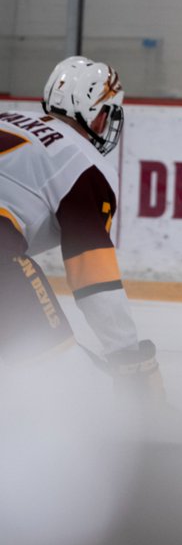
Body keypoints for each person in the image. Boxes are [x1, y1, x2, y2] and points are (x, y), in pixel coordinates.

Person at [0, 55, 161, 399]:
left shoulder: (7, 119)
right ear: (100, 116)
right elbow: (94, 278)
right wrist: (126, 355)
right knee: (68, 384)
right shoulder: (83, 164)